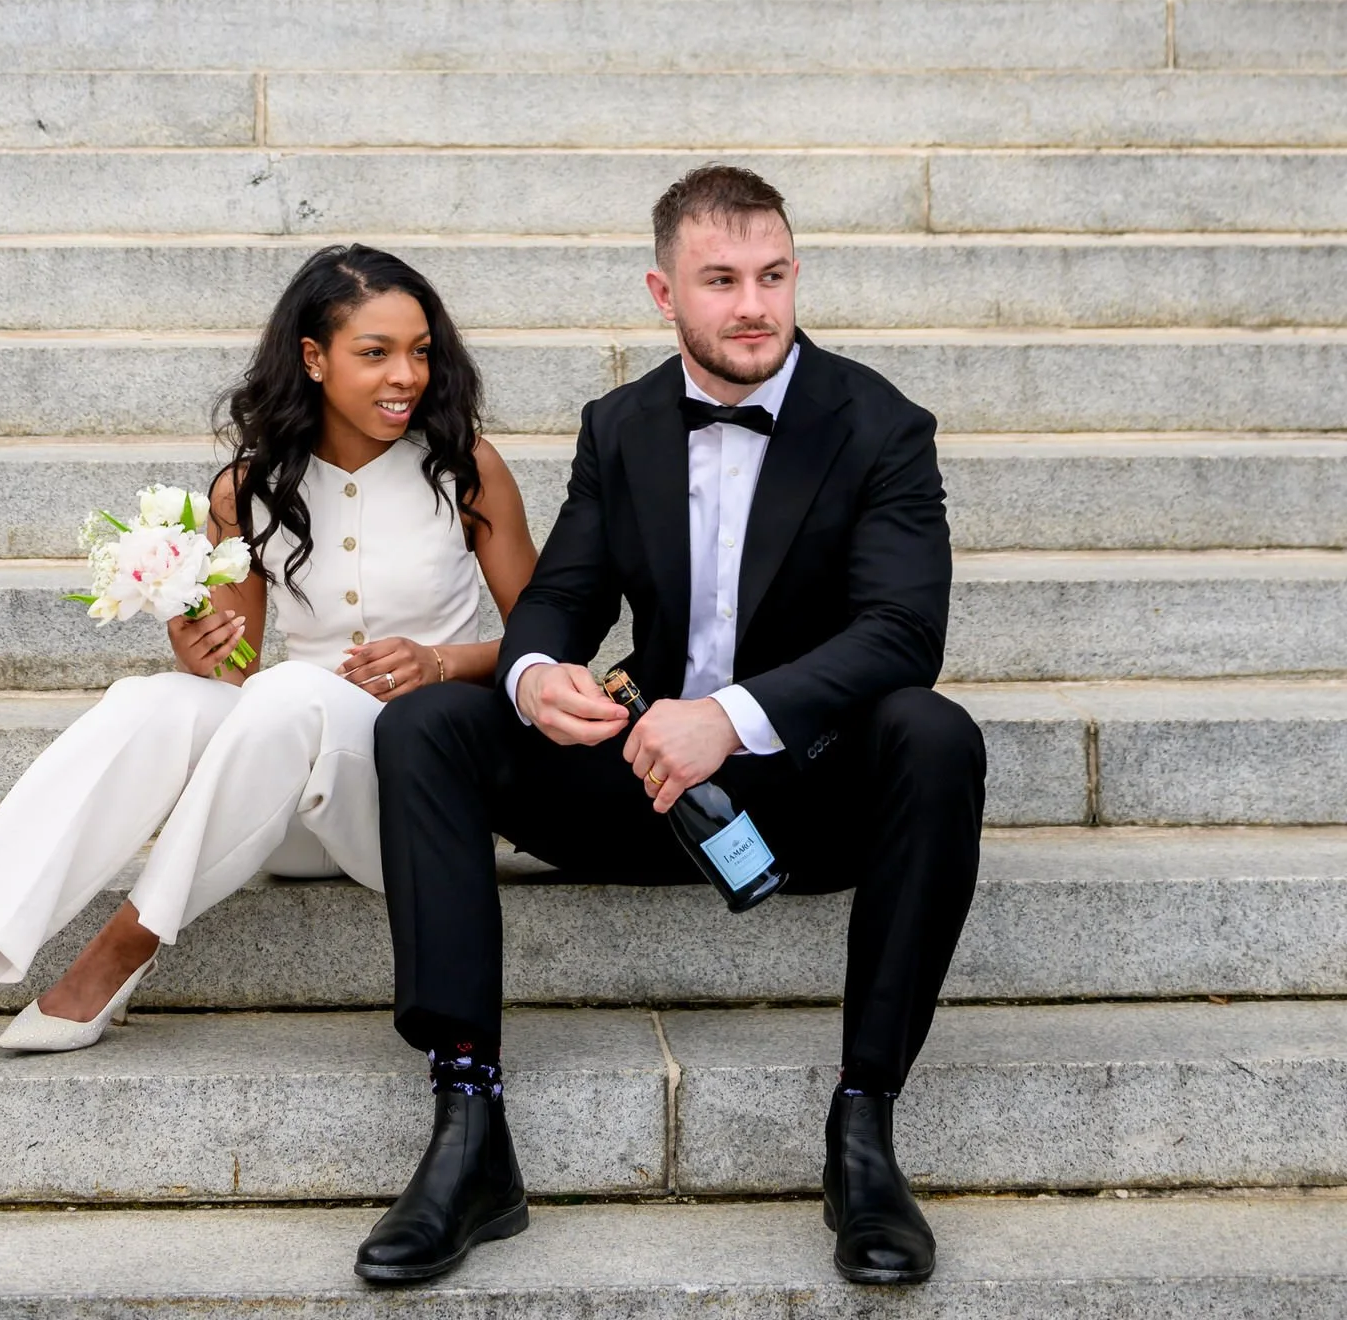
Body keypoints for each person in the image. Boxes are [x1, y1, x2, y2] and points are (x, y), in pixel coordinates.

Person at [358, 164, 985, 1291]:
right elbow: (559, 597)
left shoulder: (880, 424)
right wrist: (541, 672)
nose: (755, 305)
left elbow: (902, 631)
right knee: (428, 728)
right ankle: (467, 1129)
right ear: (664, 293)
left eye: (775, 276)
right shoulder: (623, 424)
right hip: (643, 785)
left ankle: (865, 1136)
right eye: (723, 280)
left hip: (811, 792)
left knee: (935, 733)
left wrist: (730, 720)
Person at [0, 244, 538, 1074]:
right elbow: (235, 685)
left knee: (294, 689)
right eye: (376, 353)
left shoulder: (464, 469)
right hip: (278, 808)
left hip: (402, 808)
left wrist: (438, 662)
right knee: (155, 702)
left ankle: (123, 946)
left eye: (420, 351)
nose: (406, 376)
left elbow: (543, 644)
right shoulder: (249, 487)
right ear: (314, 359)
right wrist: (197, 647)